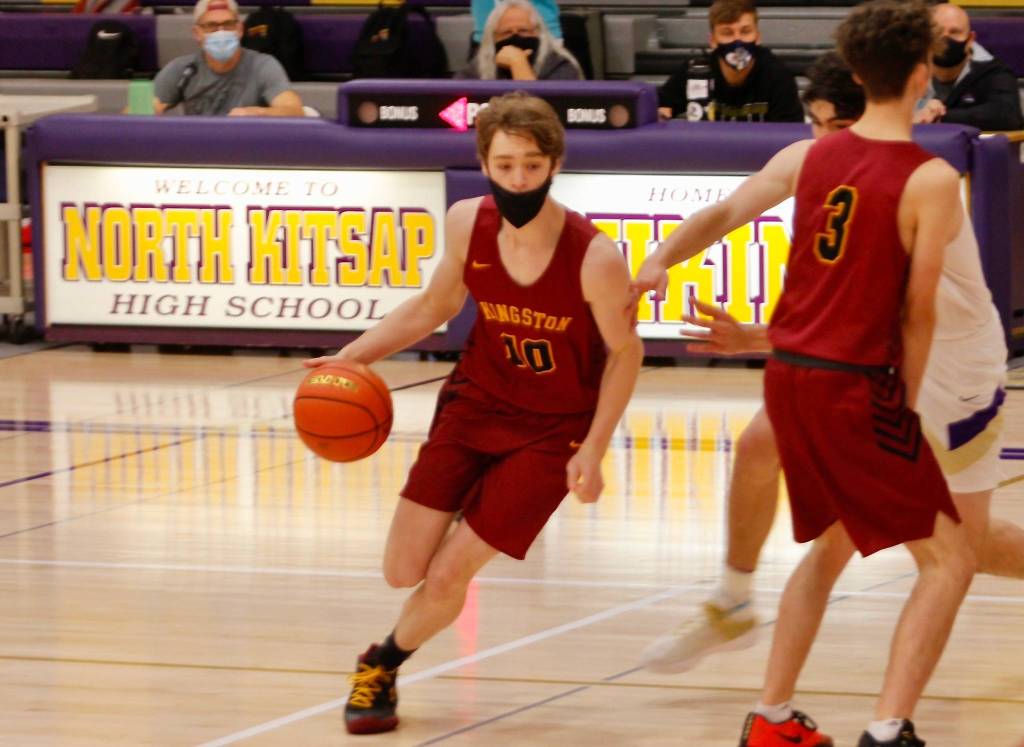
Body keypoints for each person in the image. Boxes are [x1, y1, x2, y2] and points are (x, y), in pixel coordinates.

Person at [637, 2, 979, 744]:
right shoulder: (930, 179)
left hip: (797, 374)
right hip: (860, 381)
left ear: (854, 72)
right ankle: (887, 728)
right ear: (922, 74)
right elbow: (914, 314)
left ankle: (770, 711)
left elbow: (732, 219)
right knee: (951, 559)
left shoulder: (809, 159)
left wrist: (665, 262)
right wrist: (902, 408)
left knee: (830, 538)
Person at [304, 92, 643, 735]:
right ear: (484, 162)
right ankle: (470, 507)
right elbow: (432, 307)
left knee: (447, 574)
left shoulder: (594, 256)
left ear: (555, 165)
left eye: (532, 166)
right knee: (402, 570)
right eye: (505, 165)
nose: (518, 179)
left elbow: (626, 353)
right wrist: (349, 359)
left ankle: (382, 664)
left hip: (553, 431)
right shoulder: (466, 223)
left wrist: (595, 449)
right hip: (476, 402)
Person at [657, 0, 803, 123]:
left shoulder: (778, 75)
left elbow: (789, 134)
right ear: (713, 41)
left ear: (758, 37)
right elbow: (660, 105)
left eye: (745, 31)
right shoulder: (695, 71)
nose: (737, 40)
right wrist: (660, 113)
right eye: (727, 33)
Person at [152, 0, 303, 117]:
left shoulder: (263, 65)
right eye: (211, 26)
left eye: (228, 24)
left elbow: (294, 111)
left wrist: (256, 112)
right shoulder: (182, 69)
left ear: (240, 30)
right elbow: (143, 111)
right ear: (197, 34)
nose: (221, 32)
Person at [915, 3, 1024, 130]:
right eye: (937, 31)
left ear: (970, 39)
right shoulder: (908, 70)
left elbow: (1008, 115)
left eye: (954, 32)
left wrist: (939, 116)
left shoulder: (994, 73)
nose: (945, 38)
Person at [456, 0, 583, 81]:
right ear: (493, 38)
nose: (515, 37)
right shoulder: (477, 70)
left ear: (538, 33)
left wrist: (518, 63)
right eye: (506, 33)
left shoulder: (559, 66)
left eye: (523, 31)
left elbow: (537, 112)